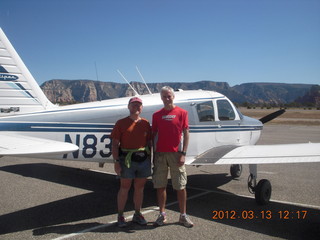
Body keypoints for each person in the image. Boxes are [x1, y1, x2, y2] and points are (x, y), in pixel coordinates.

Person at [152, 86, 194, 228]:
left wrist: (183, 153)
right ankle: (162, 214)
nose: (167, 98)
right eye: (164, 96)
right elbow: (153, 135)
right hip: (160, 155)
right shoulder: (157, 115)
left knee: (180, 186)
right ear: (161, 98)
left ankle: (183, 215)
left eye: (169, 96)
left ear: (173, 96)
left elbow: (186, 133)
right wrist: (153, 154)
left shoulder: (182, 113)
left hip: (177, 155)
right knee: (160, 185)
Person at [111, 96, 152, 228]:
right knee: (124, 188)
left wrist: (152, 159)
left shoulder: (145, 123)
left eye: (139, 105)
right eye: (133, 105)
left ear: (142, 107)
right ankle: (121, 215)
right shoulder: (121, 123)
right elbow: (115, 144)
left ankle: (137, 214)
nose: (136, 107)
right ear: (128, 107)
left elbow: (149, 142)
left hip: (143, 160)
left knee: (139, 188)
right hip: (127, 160)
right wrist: (116, 161)